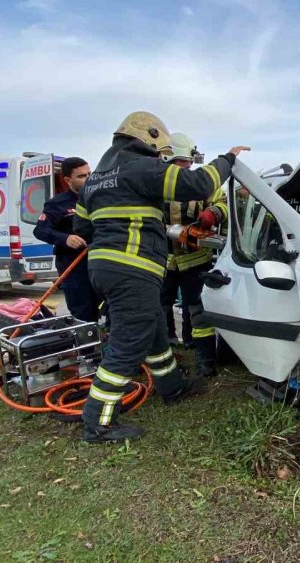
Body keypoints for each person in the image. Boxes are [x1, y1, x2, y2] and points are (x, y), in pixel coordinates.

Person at [73, 110, 249, 443]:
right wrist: (228, 159)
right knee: (128, 342)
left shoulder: (96, 178)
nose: (162, 157)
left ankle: (172, 388)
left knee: (153, 328)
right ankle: (97, 423)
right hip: (133, 268)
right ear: (149, 139)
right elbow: (200, 183)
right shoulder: (142, 168)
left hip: (103, 267)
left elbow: (81, 227)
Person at [159, 132, 228, 378]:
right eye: (181, 162)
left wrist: (213, 214)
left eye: (188, 162)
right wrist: (171, 231)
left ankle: (204, 360)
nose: (186, 167)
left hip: (195, 258)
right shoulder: (154, 182)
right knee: (159, 307)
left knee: (197, 310)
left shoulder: (200, 182)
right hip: (163, 261)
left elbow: (222, 202)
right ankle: (165, 350)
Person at [33, 157, 100, 322]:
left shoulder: (99, 199)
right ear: (68, 180)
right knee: (83, 313)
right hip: (74, 266)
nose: (88, 179)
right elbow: (40, 230)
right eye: (81, 176)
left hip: (99, 263)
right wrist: (65, 238)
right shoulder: (57, 204)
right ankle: (86, 347)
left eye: (89, 174)